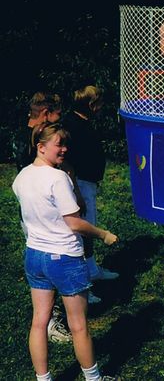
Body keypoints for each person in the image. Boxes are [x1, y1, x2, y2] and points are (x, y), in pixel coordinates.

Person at [12, 122, 119, 381]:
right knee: (79, 324)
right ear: (41, 147)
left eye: (65, 144)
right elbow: (74, 222)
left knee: (39, 321)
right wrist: (103, 234)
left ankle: (43, 379)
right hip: (64, 258)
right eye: (59, 144)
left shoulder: (21, 177)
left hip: (34, 256)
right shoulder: (58, 178)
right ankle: (94, 378)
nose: (64, 149)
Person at [11, 92, 74, 344]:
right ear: (46, 114)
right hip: (47, 212)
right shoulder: (37, 141)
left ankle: (47, 316)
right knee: (52, 266)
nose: (59, 119)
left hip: (31, 213)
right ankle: (52, 319)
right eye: (57, 114)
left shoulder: (19, 135)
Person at [63, 86, 119, 305]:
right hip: (80, 184)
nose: (101, 108)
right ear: (90, 105)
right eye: (99, 103)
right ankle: (83, 284)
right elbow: (67, 162)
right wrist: (76, 190)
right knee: (85, 230)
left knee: (90, 225)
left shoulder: (82, 122)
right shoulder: (71, 126)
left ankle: (92, 269)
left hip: (88, 182)